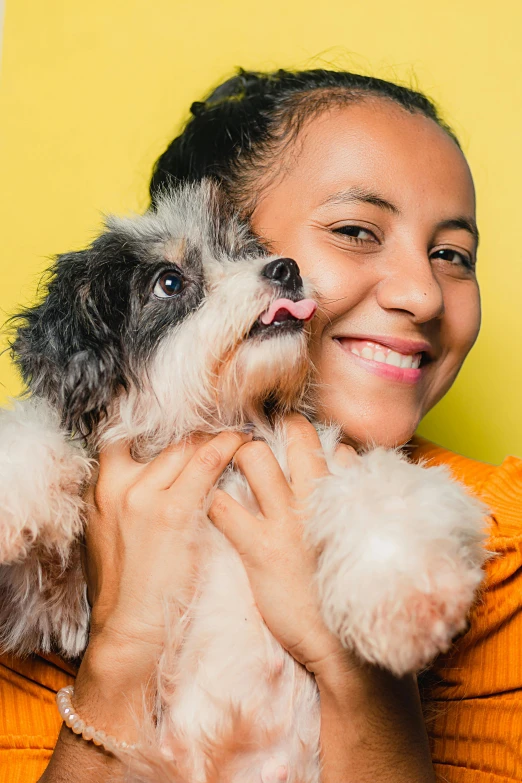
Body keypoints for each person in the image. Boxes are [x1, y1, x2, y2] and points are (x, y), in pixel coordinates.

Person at [1, 69, 521, 783]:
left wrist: (344, 659)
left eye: (453, 254)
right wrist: (123, 647)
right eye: (355, 231)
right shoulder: (57, 507)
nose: (422, 293)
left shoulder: (503, 549)